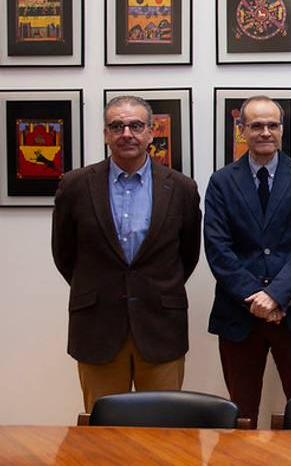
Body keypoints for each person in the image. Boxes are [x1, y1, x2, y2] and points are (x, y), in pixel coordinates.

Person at [52, 95, 201, 413]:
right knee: (103, 433)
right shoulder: (75, 186)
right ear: (105, 134)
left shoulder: (181, 188)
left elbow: (187, 256)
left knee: (165, 431)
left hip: (161, 326)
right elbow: (64, 255)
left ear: (151, 132)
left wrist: (153, 286)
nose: (126, 133)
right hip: (97, 327)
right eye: (117, 126)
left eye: (135, 125)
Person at [204, 95, 291, 427]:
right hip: (238, 314)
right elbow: (218, 249)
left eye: (272, 125)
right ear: (241, 130)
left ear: (282, 130)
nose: (265, 132)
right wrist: (256, 298)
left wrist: (276, 295)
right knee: (240, 415)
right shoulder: (221, 182)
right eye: (256, 125)